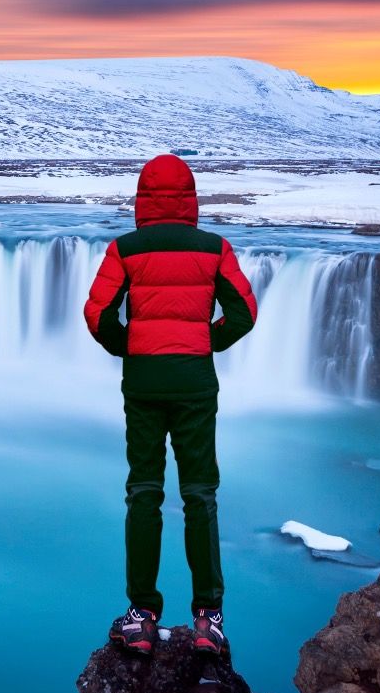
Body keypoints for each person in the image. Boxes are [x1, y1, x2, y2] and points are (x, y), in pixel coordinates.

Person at [82, 153, 257, 658]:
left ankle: (141, 616)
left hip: (143, 385)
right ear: (191, 198)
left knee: (144, 492)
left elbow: (97, 314)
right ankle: (209, 617)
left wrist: (129, 345)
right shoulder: (214, 248)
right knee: (200, 494)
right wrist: (208, 341)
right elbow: (244, 313)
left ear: (142, 199)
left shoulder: (126, 249)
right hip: (196, 385)